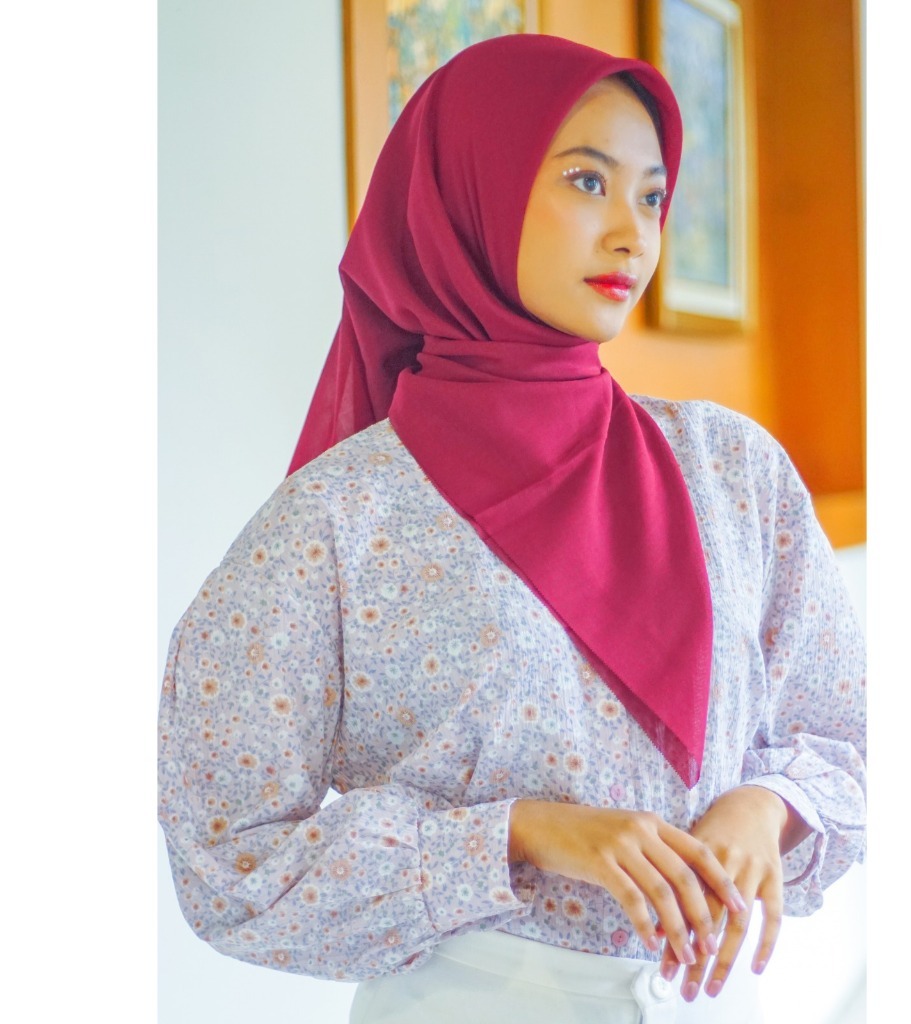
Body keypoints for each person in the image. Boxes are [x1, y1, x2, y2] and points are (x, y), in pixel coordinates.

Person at [158, 33, 865, 1024]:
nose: (631, 234)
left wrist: (767, 804)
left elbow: (848, 739)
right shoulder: (336, 519)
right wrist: (520, 834)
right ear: (470, 194)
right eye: (587, 181)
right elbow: (229, 862)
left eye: (652, 196)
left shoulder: (733, 471)